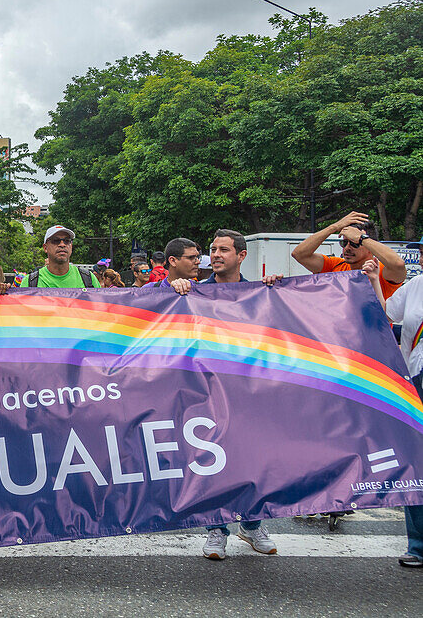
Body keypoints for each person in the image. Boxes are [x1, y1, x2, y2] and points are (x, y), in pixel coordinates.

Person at [163, 230, 281, 558]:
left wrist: (278, 290)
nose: (214, 255)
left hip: (250, 392)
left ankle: (253, 525)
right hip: (208, 391)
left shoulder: (260, 290)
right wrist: (172, 288)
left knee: (254, 459)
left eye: (223, 250)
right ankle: (216, 529)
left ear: (241, 256)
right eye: (212, 250)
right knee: (213, 461)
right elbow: (154, 307)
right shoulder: (194, 291)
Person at [364, 257, 423, 568]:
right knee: (416, 461)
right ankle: (418, 546)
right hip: (416, 381)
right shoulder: (416, 285)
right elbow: (387, 312)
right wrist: (374, 279)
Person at [290, 211, 406, 299]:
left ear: (370, 247)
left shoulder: (380, 271)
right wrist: (334, 227)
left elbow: (398, 264)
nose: (347, 248)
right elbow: (299, 254)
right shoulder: (335, 265)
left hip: (373, 331)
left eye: (354, 243)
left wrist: (361, 238)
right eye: (344, 242)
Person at [25, 225, 99, 288]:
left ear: (71, 246)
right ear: (45, 248)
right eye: (56, 240)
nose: (62, 245)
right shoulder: (30, 283)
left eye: (67, 240)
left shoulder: (89, 279)